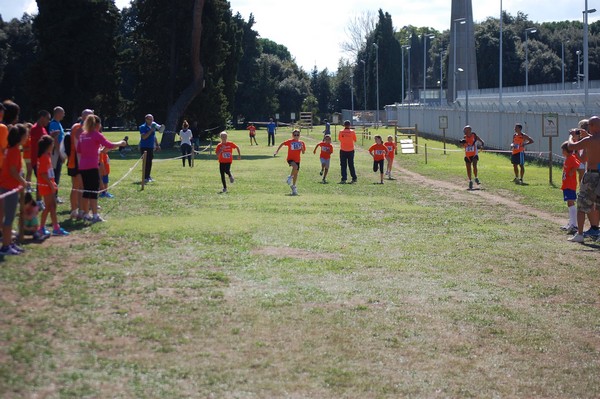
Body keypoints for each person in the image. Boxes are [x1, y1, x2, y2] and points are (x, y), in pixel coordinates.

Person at [78, 114, 126, 222]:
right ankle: (95, 215)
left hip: (83, 166)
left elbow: (79, 150)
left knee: (86, 191)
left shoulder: (82, 135)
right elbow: (109, 145)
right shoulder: (96, 134)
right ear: (97, 124)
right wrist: (121, 143)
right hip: (92, 167)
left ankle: (86, 214)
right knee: (94, 192)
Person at [567, 115, 600, 243]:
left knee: (582, 204)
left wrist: (572, 137)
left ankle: (580, 234)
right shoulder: (591, 139)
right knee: (598, 206)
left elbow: (571, 146)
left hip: (591, 175)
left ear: (591, 126)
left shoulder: (589, 140)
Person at [0, 124, 29, 255]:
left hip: (8, 187)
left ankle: (9, 243)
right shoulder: (14, 151)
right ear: (21, 137)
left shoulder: (12, 149)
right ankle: (5, 246)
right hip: (8, 187)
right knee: (9, 218)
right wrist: (23, 182)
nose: (27, 137)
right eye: (26, 135)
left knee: (9, 217)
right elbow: (12, 171)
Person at [37, 135, 69, 236]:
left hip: (50, 185)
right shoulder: (44, 157)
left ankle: (56, 227)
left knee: (53, 206)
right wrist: (50, 184)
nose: (54, 145)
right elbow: (43, 173)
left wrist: (53, 183)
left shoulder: (48, 156)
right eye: (52, 144)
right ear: (48, 146)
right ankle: (41, 228)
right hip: (46, 186)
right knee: (48, 207)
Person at [68, 109, 93, 219]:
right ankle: (83, 212)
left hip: (75, 161)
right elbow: (81, 147)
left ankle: (76, 210)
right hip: (79, 161)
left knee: (77, 187)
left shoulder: (76, 127)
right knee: (82, 187)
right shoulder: (80, 129)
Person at [274, 129, 305, 196]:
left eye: (297, 135)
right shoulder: (290, 141)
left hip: (298, 160)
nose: (296, 136)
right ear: (292, 135)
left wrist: (302, 147)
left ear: (299, 135)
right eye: (295, 135)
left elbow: (303, 152)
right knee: (295, 167)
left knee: (296, 174)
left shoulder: (301, 142)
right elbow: (282, 143)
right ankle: (290, 177)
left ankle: (293, 187)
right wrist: (277, 151)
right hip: (290, 159)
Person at [560, 140, 580, 234]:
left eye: (563, 150)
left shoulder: (571, 158)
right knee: (569, 203)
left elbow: (577, 164)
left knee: (571, 203)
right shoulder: (568, 158)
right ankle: (571, 222)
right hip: (566, 184)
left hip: (570, 185)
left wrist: (573, 170)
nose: (562, 152)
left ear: (568, 150)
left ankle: (574, 225)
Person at [48, 106, 66, 203]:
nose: (64, 115)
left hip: (58, 152)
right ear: (58, 113)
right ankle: (53, 196)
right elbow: (56, 140)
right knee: (55, 174)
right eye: (62, 113)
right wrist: (61, 154)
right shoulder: (54, 124)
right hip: (55, 153)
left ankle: (54, 195)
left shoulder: (58, 124)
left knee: (57, 174)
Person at [460, 125, 485, 190]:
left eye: (465, 130)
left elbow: (482, 141)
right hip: (467, 155)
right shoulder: (464, 137)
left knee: (474, 165)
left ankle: (476, 178)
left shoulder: (474, 136)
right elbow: (462, 146)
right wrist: (462, 144)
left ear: (469, 130)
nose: (464, 131)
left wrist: (482, 146)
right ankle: (470, 181)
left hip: (474, 154)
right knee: (468, 169)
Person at [139, 114, 162, 183]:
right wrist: (151, 130)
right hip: (144, 147)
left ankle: (148, 176)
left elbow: (154, 136)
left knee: (150, 162)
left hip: (151, 147)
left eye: (152, 119)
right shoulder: (142, 127)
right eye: (150, 119)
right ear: (146, 120)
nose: (152, 121)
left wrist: (157, 145)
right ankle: (145, 177)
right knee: (146, 162)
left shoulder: (153, 126)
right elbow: (144, 137)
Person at [29, 110, 51, 178]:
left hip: (44, 159)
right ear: (42, 118)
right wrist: (51, 136)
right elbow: (42, 143)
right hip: (37, 160)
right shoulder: (35, 129)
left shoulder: (43, 128)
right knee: (42, 182)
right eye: (48, 118)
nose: (49, 121)